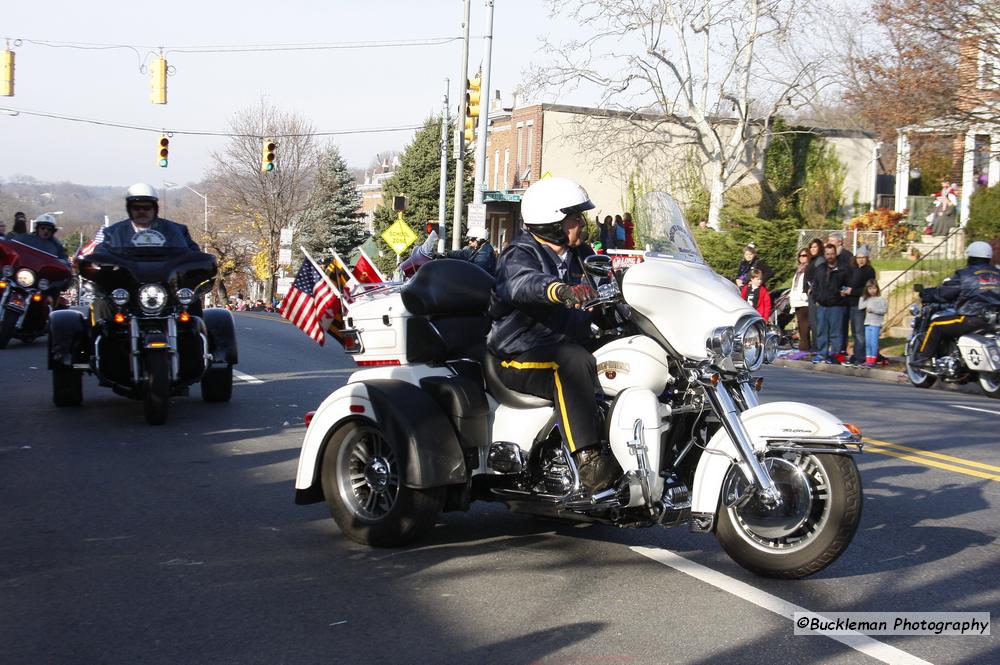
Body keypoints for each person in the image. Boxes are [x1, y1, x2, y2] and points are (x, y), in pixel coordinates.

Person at [487, 176, 614, 494]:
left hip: (565, 343)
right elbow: (523, 283)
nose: (581, 224)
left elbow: (607, 286)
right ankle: (589, 460)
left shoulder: (582, 255)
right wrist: (561, 291)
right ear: (552, 222)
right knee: (570, 362)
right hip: (519, 357)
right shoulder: (519, 254)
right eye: (574, 218)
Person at [913, 241, 1000, 364]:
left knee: (936, 325)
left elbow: (945, 293)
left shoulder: (965, 274)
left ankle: (923, 358)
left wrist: (927, 293)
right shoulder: (998, 274)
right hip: (995, 319)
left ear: (970, 256)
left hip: (971, 319)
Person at [99, 183, 199, 251]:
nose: (141, 211)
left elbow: (194, 256)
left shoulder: (177, 231)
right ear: (129, 209)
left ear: (155, 209)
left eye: (147, 208)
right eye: (136, 208)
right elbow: (100, 256)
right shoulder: (113, 233)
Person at [811, 243, 851, 364]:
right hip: (822, 305)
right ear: (824, 255)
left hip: (837, 305)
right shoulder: (820, 268)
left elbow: (848, 284)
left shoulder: (843, 268)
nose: (830, 256)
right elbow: (815, 285)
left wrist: (843, 294)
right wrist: (817, 298)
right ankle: (822, 354)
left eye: (832, 254)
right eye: (827, 254)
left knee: (836, 332)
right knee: (821, 331)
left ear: (835, 254)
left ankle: (835, 355)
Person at [843, 246, 876, 366]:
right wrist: (845, 290)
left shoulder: (869, 271)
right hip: (851, 303)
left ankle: (860, 356)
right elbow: (849, 284)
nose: (861, 260)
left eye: (863, 257)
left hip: (861, 304)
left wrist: (852, 291)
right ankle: (856, 354)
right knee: (855, 331)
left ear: (867, 258)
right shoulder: (854, 269)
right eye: (858, 257)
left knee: (859, 332)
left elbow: (868, 289)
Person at [858, 279, 887, 368]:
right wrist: (864, 298)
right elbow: (860, 306)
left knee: (874, 343)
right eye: (870, 288)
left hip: (876, 324)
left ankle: (873, 360)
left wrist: (874, 310)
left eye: (874, 288)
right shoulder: (866, 299)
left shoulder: (880, 299)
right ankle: (868, 360)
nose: (872, 291)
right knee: (868, 343)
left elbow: (884, 310)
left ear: (877, 289)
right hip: (867, 323)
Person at [789, 247, 812, 352]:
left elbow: (808, 284)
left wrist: (804, 296)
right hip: (796, 301)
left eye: (804, 255)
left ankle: (805, 348)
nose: (802, 258)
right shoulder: (799, 269)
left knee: (804, 326)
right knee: (801, 326)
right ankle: (804, 346)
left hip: (804, 301)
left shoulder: (808, 269)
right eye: (800, 256)